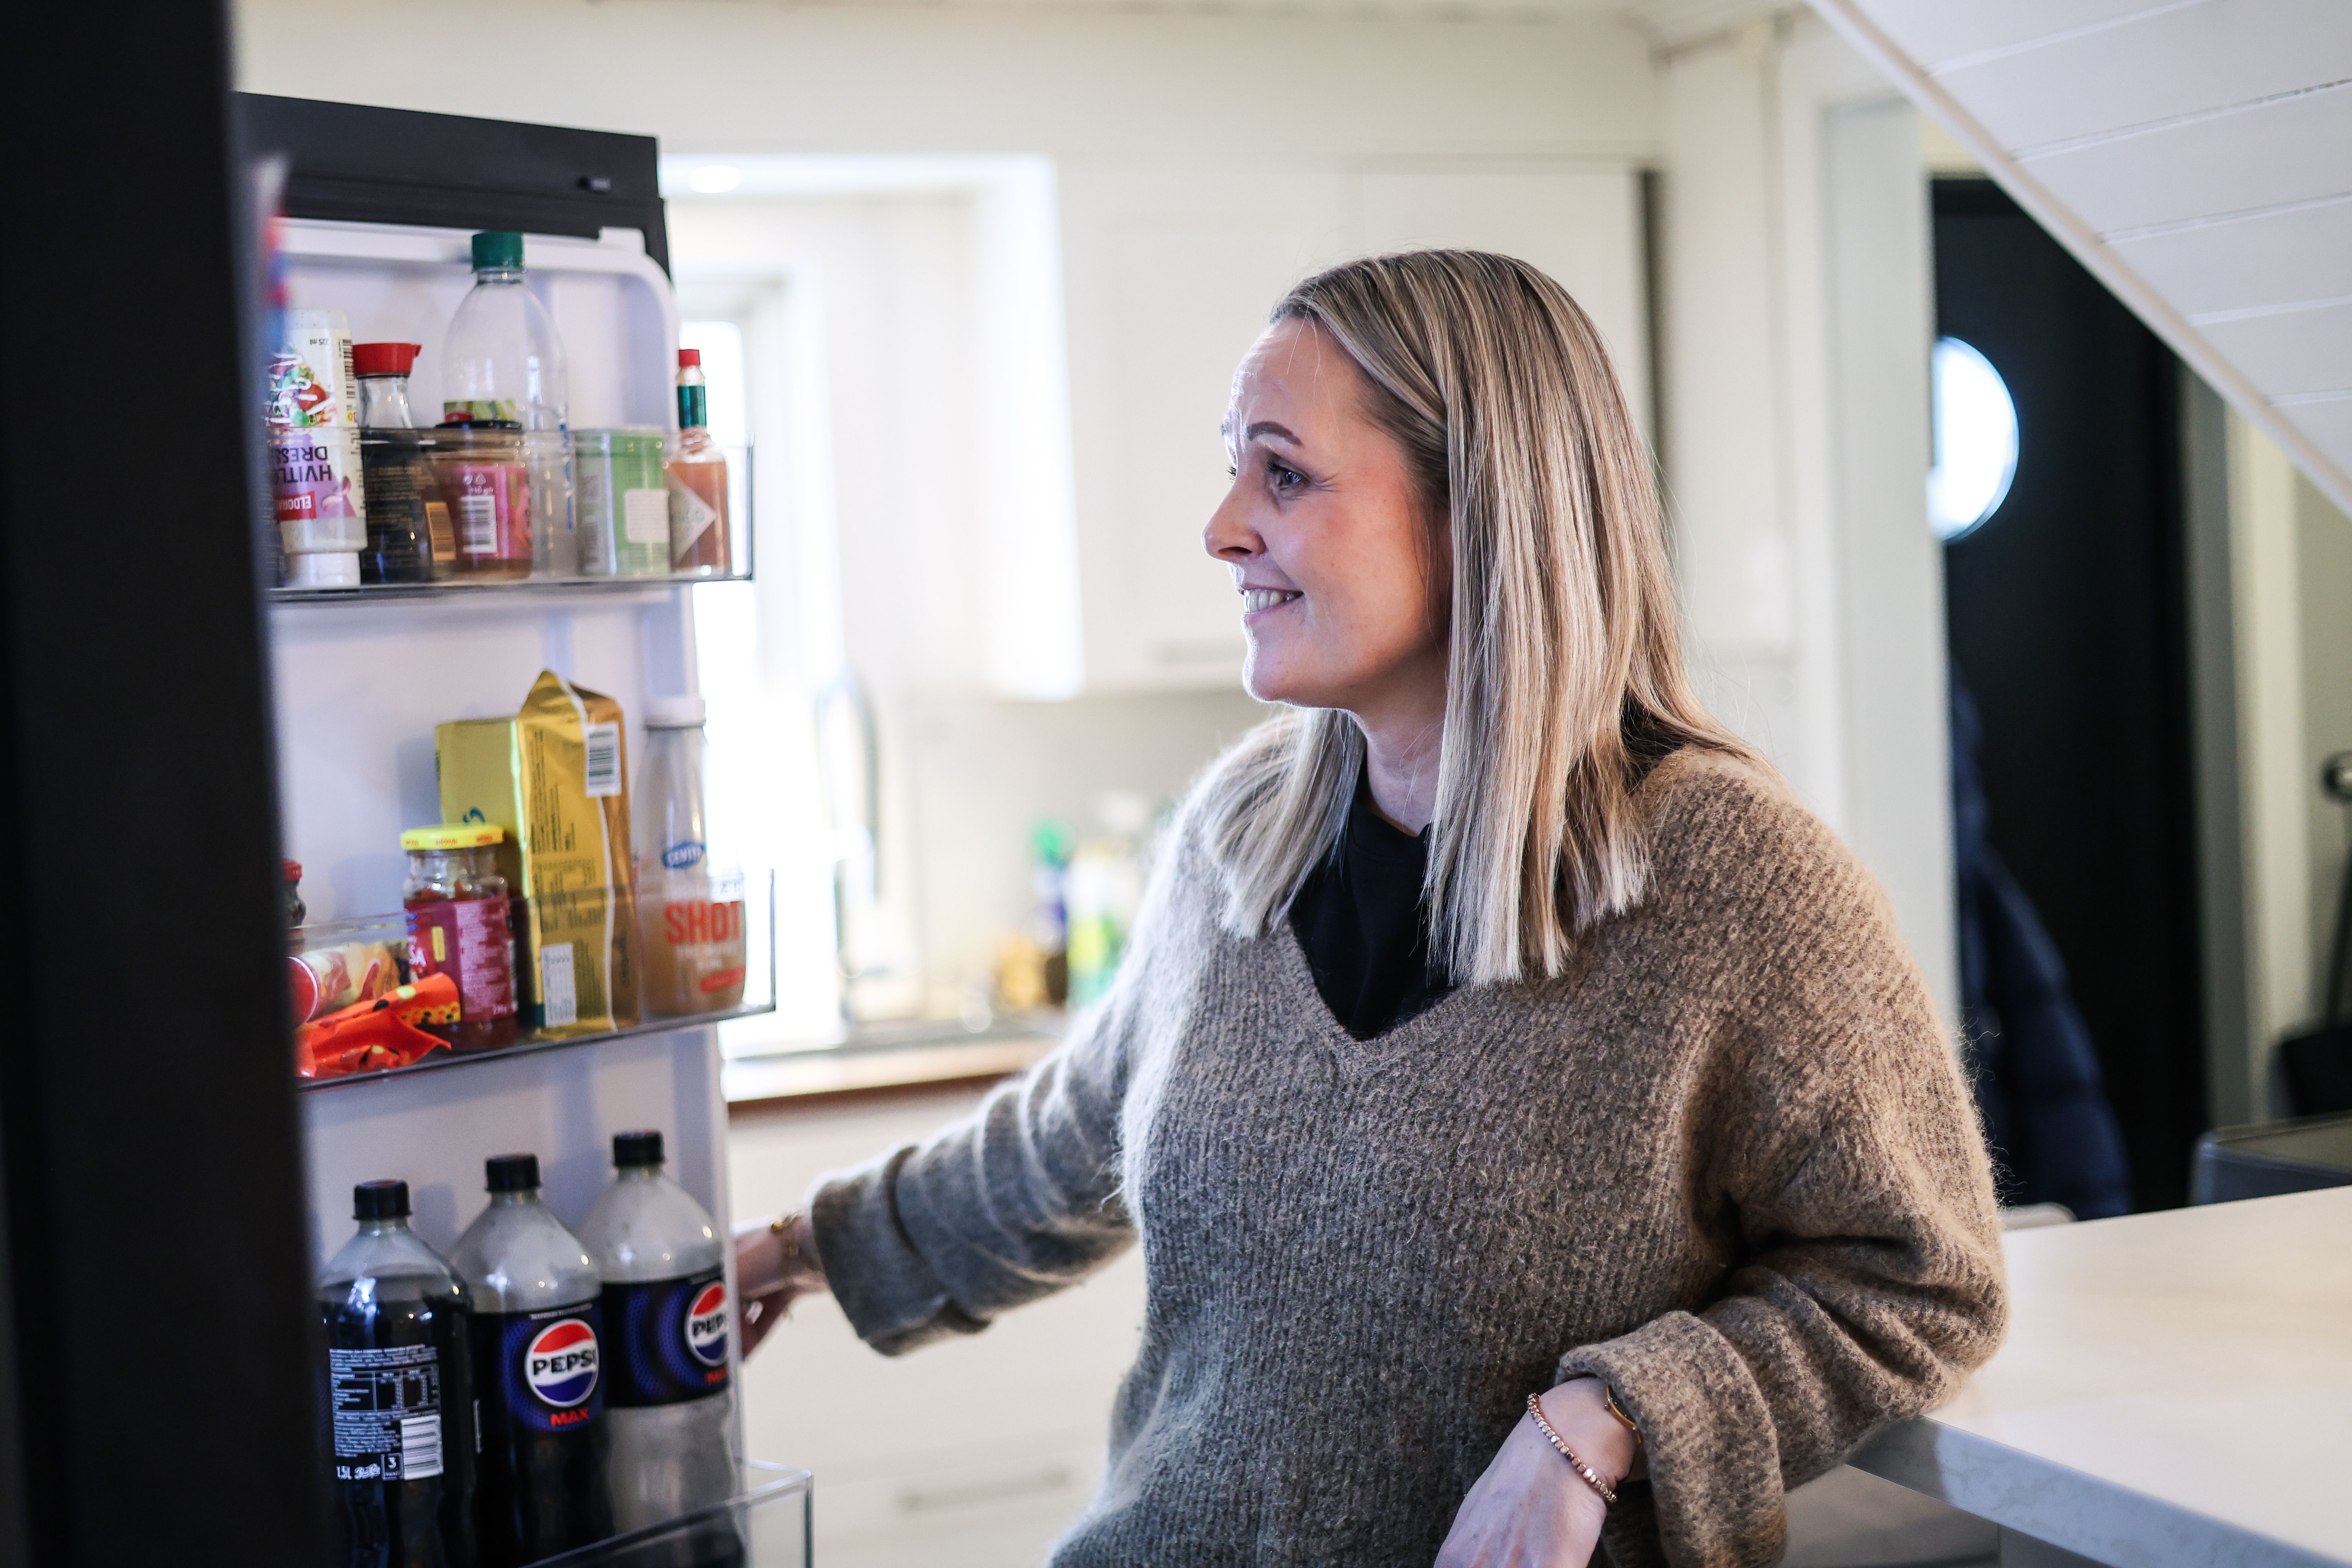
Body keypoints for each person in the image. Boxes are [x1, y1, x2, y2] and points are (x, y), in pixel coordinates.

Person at [734, 250, 2007, 1567]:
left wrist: (1607, 1414)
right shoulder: (1243, 832)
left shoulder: (1731, 883)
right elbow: (1062, 1149)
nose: (1223, 526)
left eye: (1282, 473)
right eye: (1235, 466)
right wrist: (779, 1252)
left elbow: (1916, 1279)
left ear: (1479, 513)